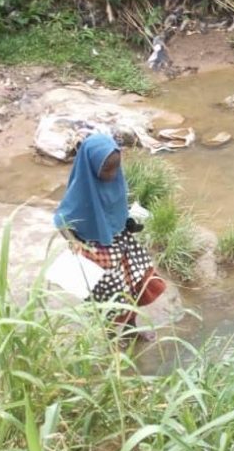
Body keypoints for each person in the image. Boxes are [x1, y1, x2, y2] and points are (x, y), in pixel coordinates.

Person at [53, 132, 164, 340]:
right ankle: (111, 338)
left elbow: (118, 208)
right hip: (99, 252)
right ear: (93, 167)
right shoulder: (82, 190)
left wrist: (128, 222)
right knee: (113, 297)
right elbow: (61, 220)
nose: (112, 174)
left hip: (122, 243)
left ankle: (131, 330)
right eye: (107, 169)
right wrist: (74, 243)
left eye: (116, 167)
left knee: (133, 286)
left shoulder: (115, 181)